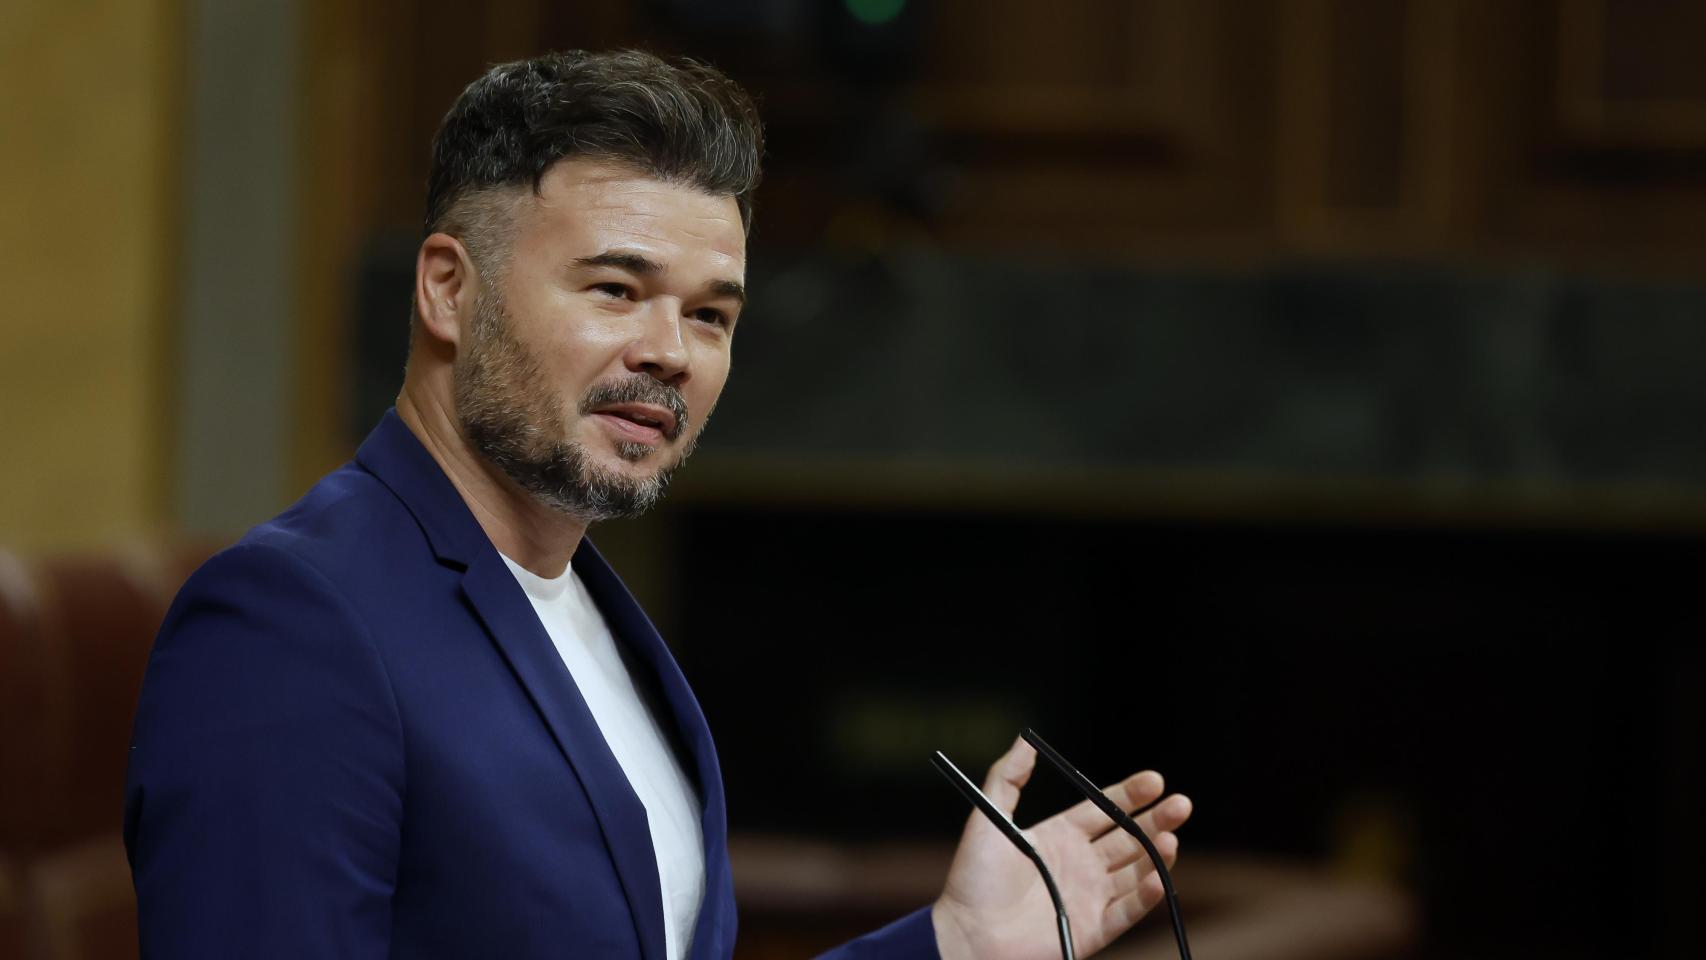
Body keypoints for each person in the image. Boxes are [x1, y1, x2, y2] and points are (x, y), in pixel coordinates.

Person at [123, 49, 1193, 960]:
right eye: (614, 290)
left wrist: (952, 945)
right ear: (449, 289)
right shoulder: (290, 621)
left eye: (711, 315)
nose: (669, 354)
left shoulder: (593, 611)